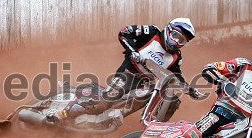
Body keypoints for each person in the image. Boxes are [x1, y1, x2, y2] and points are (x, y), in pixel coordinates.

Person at [47, 18, 203, 122]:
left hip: (146, 85)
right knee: (104, 103)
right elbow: (124, 32)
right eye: (176, 35)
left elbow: (176, 77)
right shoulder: (151, 33)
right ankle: (63, 114)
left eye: (182, 40)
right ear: (169, 30)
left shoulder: (176, 57)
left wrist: (190, 89)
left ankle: (153, 131)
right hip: (128, 74)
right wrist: (132, 51)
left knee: (172, 100)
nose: (176, 42)